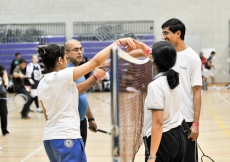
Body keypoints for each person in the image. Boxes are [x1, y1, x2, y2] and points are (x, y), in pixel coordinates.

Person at [37, 38, 135, 162]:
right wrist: (118, 43)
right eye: (65, 58)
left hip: (49, 140)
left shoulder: (42, 83)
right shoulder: (63, 75)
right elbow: (96, 61)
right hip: (67, 137)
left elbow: (47, 115)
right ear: (60, 60)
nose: (67, 61)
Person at [161, 18, 202, 162]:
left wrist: (195, 124)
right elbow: (147, 52)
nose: (163, 37)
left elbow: (197, 92)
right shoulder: (166, 56)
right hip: (167, 120)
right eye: (163, 33)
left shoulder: (193, 58)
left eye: (166, 33)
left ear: (178, 33)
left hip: (186, 121)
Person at [144, 41, 185, 162]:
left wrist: (152, 155)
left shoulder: (155, 86)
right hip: (179, 137)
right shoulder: (176, 79)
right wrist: (142, 47)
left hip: (163, 141)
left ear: (154, 60)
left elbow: (158, 122)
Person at [64, 39, 106, 146]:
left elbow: (82, 95)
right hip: (71, 124)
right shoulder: (66, 72)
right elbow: (74, 91)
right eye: (75, 50)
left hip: (81, 122)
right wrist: (95, 76)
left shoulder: (79, 70)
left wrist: (90, 118)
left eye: (81, 49)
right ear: (66, 54)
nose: (79, 52)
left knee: (80, 156)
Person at [0, 64, 10, 136]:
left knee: (4, 113)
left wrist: (6, 82)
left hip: (2, 93)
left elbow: (5, 77)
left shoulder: (1, 68)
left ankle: (4, 130)